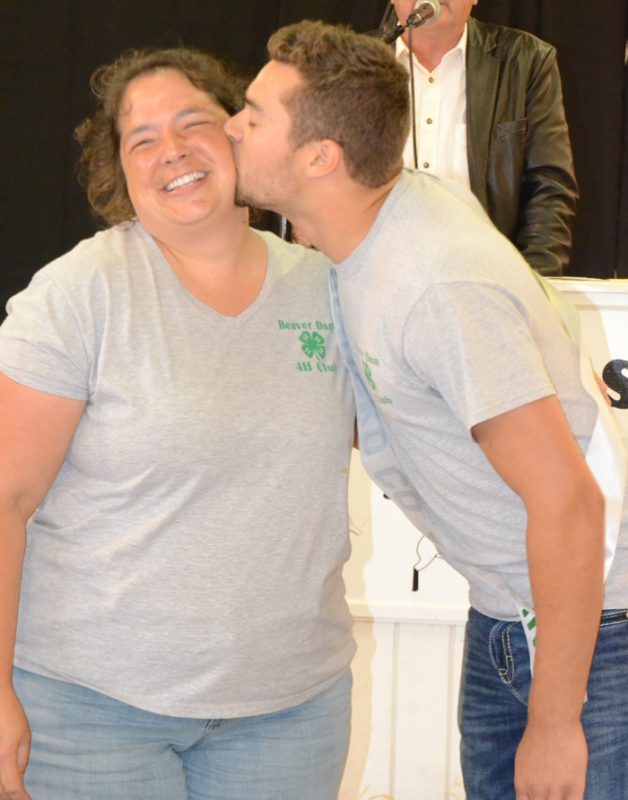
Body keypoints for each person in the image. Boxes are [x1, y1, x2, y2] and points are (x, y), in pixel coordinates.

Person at [224, 20, 628, 800]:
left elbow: (569, 504)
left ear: (319, 157)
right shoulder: (366, 234)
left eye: (253, 115)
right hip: (510, 611)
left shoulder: (437, 285)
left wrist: (555, 723)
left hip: (593, 634)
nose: (231, 127)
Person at [0, 46, 356, 800]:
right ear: (119, 169)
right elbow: (5, 499)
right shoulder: (79, 296)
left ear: (239, 135)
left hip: (288, 714)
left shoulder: (329, 288)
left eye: (194, 123)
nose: (173, 152)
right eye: (143, 139)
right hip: (89, 713)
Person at [385, 0, 578, 276]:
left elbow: (549, 187)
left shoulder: (526, 60)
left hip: (486, 286)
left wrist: (533, 288)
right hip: (372, 283)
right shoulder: (346, 64)